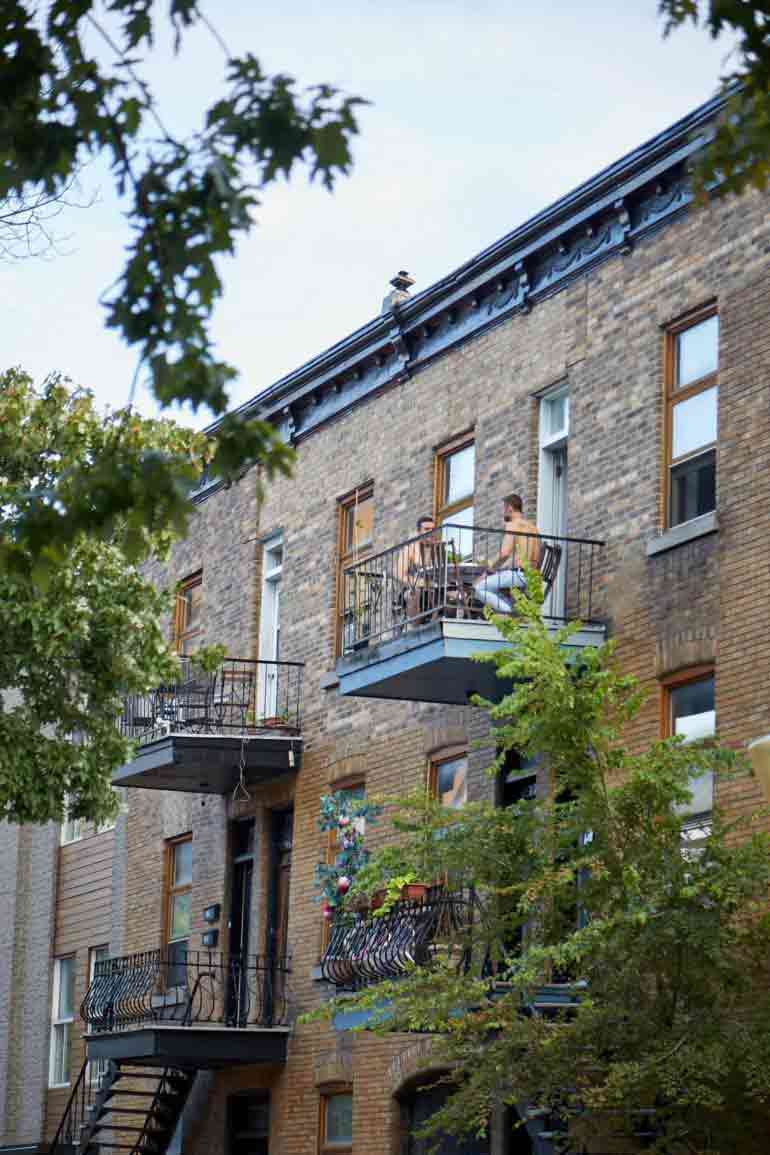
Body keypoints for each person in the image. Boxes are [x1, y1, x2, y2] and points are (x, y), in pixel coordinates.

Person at [473, 494, 540, 614]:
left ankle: (510, 611)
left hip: (518, 576)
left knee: (478, 588)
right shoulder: (533, 528)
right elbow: (531, 557)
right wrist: (503, 569)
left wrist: (489, 569)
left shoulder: (512, 524)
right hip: (531, 577)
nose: (503, 514)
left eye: (504, 509)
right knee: (495, 585)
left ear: (509, 508)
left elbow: (505, 553)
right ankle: (513, 608)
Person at [402, 515, 442, 622]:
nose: (431, 532)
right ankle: (415, 627)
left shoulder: (439, 550)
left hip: (436, 588)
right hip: (415, 588)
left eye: (433, 530)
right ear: (419, 532)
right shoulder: (410, 549)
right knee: (414, 594)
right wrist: (420, 583)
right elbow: (399, 574)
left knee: (459, 594)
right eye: (427, 529)